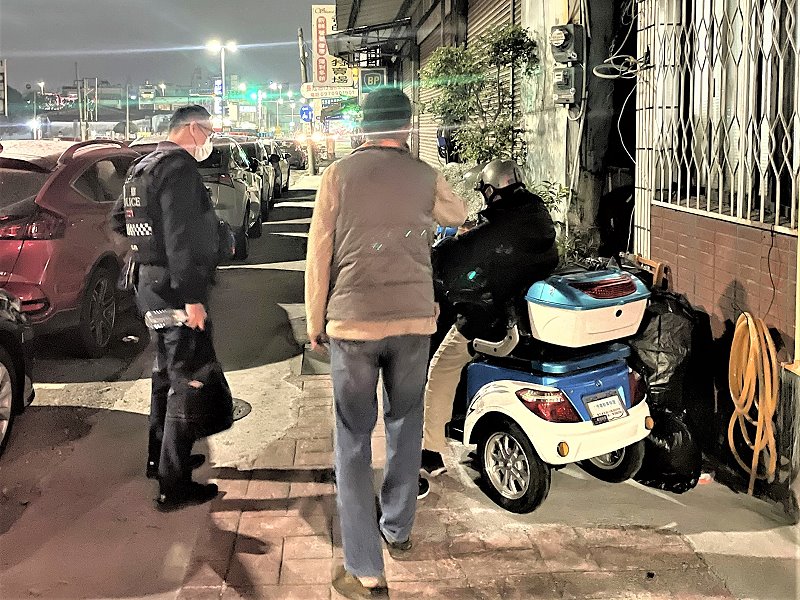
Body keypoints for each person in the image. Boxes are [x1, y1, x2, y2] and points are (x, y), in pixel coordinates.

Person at [305, 87, 466, 600]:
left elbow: (319, 252)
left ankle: (365, 566)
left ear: (364, 127)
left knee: (353, 438)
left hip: (353, 324)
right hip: (414, 323)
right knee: (406, 422)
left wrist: (315, 319)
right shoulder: (425, 175)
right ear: (407, 126)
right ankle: (397, 527)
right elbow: (457, 214)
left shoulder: (338, 175)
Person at [420, 159, 559, 483]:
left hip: (495, 318)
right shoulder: (537, 214)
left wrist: (439, 254)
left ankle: (431, 450)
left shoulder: (499, 225)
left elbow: (457, 255)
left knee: (440, 369)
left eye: (485, 191)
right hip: (529, 314)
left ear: (493, 190)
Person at [116, 105, 226, 511]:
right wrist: (192, 297)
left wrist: (146, 254)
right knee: (186, 380)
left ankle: (158, 458)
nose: (208, 140)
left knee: (164, 373)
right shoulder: (179, 168)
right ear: (192, 128)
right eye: (207, 132)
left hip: (148, 285)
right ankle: (173, 485)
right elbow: (181, 237)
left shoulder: (142, 166)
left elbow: (119, 220)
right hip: (175, 289)